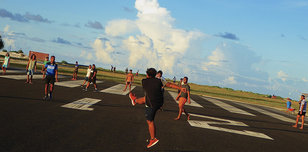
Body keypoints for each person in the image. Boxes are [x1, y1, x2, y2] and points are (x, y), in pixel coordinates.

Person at [128, 68, 187, 148]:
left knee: (150, 121)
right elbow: (169, 84)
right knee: (146, 98)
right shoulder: (159, 81)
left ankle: (153, 139)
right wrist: (180, 88)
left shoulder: (144, 81)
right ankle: (135, 100)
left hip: (151, 104)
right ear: (155, 74)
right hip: (160, 102)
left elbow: (149, 86)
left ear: (147, 75)